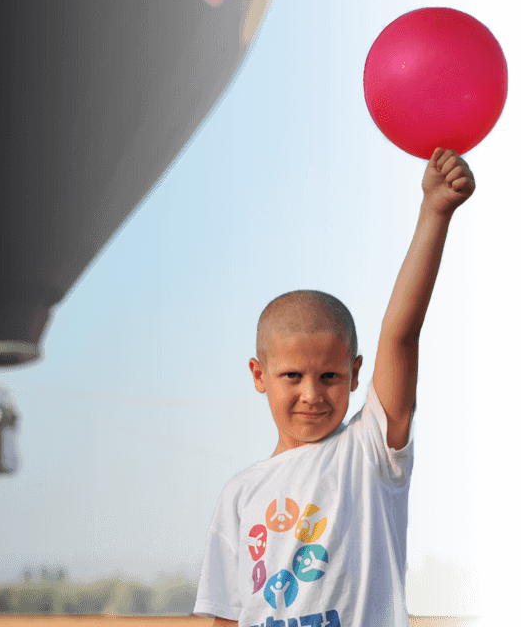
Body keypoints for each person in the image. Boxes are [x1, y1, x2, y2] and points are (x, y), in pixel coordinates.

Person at [192, 148, 476, 626]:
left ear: (356, 374)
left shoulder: (370, 452)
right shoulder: (239, 495)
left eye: (329, 376)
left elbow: (400, 333)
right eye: (292, 376)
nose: (312, 394)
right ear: (259, 376)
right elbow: (221, 616)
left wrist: (435, 211)